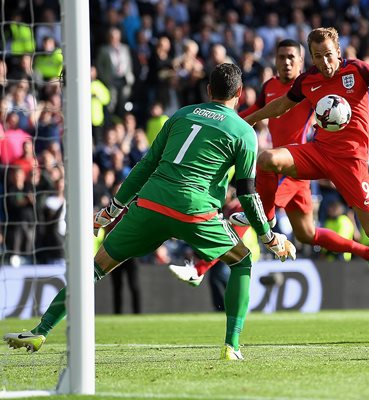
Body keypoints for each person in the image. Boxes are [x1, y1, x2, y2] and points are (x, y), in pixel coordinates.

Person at [3, 64, 296, 360]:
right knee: (242, 261)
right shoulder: (245, 132)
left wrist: (113, 209)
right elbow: (247, 193)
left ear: (208, 90)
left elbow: (145, 165)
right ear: (240, 94)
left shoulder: (182, 114)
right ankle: (231, 346)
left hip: (150, 204)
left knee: (93, 269)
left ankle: (41, 330)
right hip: (195, 211)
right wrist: (268, 236)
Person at [170, 39, 369, 288]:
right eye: (281, 57)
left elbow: (346, 108)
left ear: (301, 61)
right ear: (275, 61)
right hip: (281, 167)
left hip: (293, 166)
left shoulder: (309, 87)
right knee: (306, 234)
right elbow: (252, 112)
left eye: (291, 57)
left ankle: (199, 269)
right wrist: (222, 123)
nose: (286, 62)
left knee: (251, 215)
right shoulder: (269, 87)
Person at [242, 28, 369, 293]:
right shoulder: (307, 80)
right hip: (318, 152)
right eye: (318, 57)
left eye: (328, 55)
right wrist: (247, 120)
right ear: (312, 59)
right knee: (267, 159)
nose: (325, 62)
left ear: (338, 52)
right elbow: (281, 106)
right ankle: (268, 223)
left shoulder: (358, 70)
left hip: (352, 164)